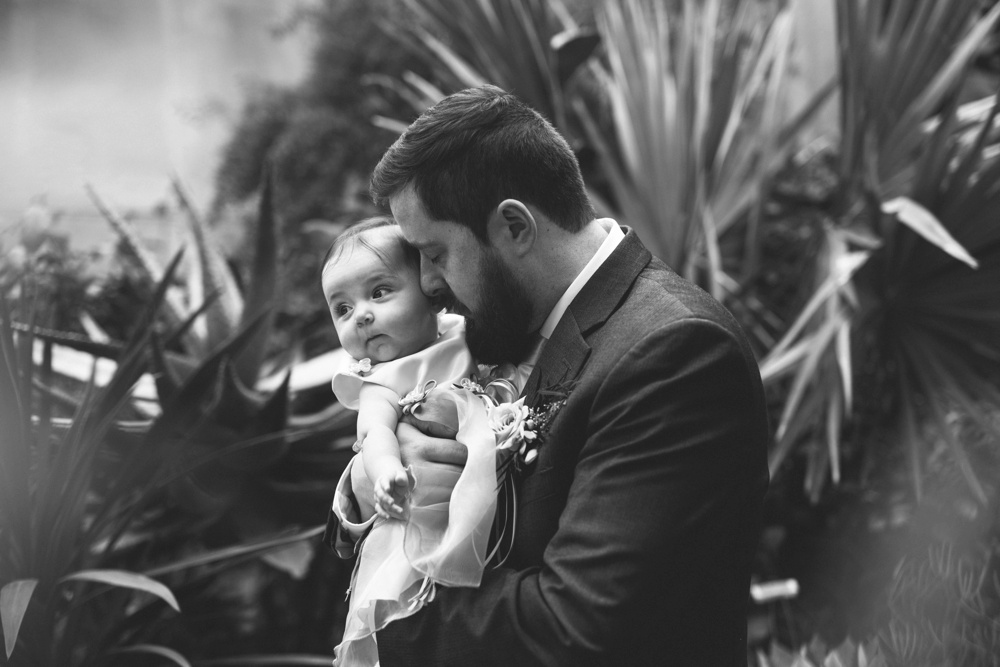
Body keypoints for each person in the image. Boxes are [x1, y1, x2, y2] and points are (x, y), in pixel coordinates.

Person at [326, 85, 770, 666]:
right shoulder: (504, 326)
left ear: (514, 227)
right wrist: (371, 486)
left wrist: (388, 608)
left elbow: (571, 631)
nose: (429, 285)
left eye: (435, 254)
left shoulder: (675, 354)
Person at [321, 217, 506, 666]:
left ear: (430, 290)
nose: (361, 314)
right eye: (342, 309)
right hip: (422, 528)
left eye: (379, 292)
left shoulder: (468, 331)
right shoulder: (381, 382)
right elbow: (376, 433)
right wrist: (384, 472)